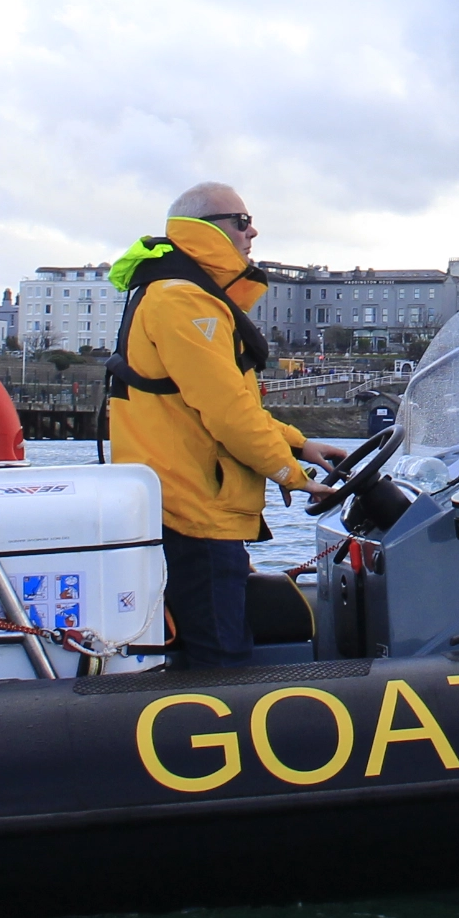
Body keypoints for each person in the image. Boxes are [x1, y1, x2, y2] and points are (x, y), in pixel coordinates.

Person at [106, 183, 347, 667]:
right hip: (191, 513)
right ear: (205, 227)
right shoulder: (184, 301)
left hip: (187, 506)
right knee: (219, 659)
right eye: (241, 220)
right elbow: (227, 414)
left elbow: (226, 403)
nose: (252, 230)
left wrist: (299, 445)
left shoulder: (181, 293)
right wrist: (292, 476)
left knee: (218, 643)